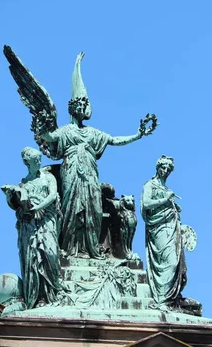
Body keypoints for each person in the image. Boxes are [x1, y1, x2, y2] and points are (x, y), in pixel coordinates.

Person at [39, 52, 155, 259]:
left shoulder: (93, 133)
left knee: (92, 206)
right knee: (72, 207)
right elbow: (48, 137)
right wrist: (43, 121)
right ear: (73, 108)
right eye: (80, 105)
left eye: (86, 105)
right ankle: (70, 249)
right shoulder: (65, 131)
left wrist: (138, 135)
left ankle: (91, 249)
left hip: (90, 172)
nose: (84, 108)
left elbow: (114, 140)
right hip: (72, 171)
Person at [2, 147, 66, 309]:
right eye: (35, 160)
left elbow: (52, 195)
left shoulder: (48, 177)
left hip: (46, 220)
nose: (39, 162)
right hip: (29, 224)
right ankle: (38, 298)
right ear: (26, 162)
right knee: (32, 259)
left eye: (39, 159)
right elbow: (16, 204)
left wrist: (38, 208)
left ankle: (54, 293)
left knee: (49, 253)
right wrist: (11, 196)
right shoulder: (23, 183)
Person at [141, 155, 187, 308]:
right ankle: (161, 299)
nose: (165, 171)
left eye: (168, 169)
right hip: (158, 228)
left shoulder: (166, 189)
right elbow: (146, 204)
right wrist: (165, 200)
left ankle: (168, 300)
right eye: (163, 167)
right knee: (168, 263)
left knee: (176, 263)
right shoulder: (150, 185)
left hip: (171, 228)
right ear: (157, 167)